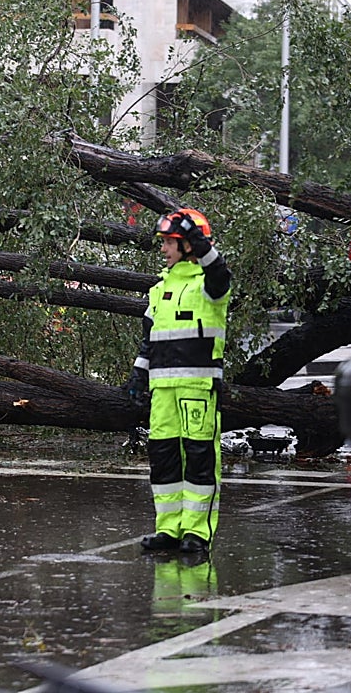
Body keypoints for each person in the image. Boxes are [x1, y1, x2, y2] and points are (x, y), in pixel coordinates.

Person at [127, 206, 231, 563]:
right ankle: (169, 527)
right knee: (164, 459)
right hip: (162, 390)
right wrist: (138, 374)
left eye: (170, 242)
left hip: (198, 388)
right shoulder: (159, 288)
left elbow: (220, 272)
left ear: (188, 244)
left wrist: (199, 239)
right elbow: (149, 340)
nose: (164, 249)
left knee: (200, 459)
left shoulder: (208, 285)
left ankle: (197, 532)